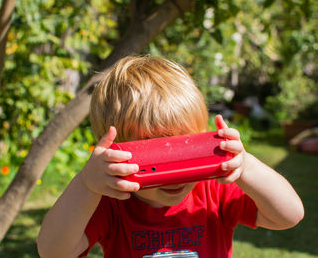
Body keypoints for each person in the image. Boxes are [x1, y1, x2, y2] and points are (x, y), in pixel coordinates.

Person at [37, 56, 304, 258]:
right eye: (152, 152)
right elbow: (54, 252)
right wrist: (86, 184)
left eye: (185, 147)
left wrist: (246, 165)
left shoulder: (213, 190)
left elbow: (289, 215)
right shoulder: (112, 200)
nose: (172, 170)